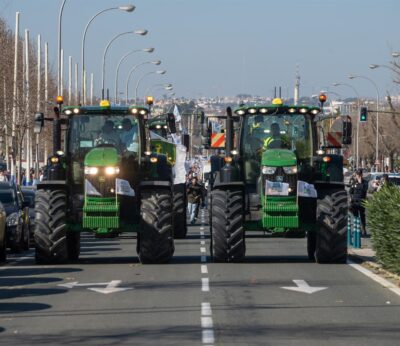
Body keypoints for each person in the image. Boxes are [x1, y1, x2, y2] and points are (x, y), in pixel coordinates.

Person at [349, 169, 368, 237]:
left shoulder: (365, 182)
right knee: (355, 216)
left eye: (359, 175)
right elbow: (350, 191)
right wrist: (350, 198)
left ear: (361, 175)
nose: (358, 176)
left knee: (362, 216)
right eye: (357, 175)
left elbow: (365, 190)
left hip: (362, 201)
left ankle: (363, 229)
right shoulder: (354, 182)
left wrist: (360, 183)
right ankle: (357, 230)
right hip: (355, 202)